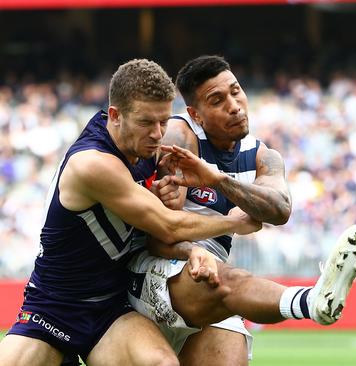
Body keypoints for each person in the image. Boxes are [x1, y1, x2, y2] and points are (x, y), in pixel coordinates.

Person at [0, 59, 264, 366]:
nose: (157, 134)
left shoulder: (144, 146)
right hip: (54, 308)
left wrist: (168, 195)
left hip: (111, 309)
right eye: (146, 123)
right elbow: (169, 226)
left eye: (164, 122)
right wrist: (233, 223)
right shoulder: (92, 164)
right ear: (115, 115)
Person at [127, 55, 356, 365]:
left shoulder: (263, 155)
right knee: (228, 279)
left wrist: (218, 181)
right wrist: (199, 245)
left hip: (208, 279)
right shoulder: (180, 136)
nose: (234, 105)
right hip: (155, 274)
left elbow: (280, 209)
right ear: (196, 114)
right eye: (217, 100)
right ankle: (311, 301)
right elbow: (158, 237)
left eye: (236, 91)